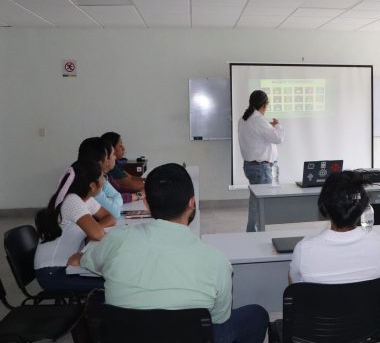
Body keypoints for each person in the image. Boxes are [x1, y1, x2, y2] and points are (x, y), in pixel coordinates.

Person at [70, 163, 269, 343]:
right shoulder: (217, 262)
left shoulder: (116, 241)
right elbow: (218, 319)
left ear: (146, 204)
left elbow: (83, 261)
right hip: (191, 335)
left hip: (127, 334)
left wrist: (80, 257)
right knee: (256, 315)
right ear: (192, 203)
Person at [289, 170, 380, 283]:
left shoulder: (304, 249)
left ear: (323, 207)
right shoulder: (379, 244)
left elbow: (294, 286)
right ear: (362, 206)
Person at [34, 159, 115, 292]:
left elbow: (110, 218)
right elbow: (98, 235)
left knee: (112, 277)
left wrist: (92, 229)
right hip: (52, 272)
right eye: (102, 177)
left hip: (69, 264)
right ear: (92, 185)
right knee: (113, 285)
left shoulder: (86, 199)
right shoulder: (72, 200)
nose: (104, 181)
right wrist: (92, 230)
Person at [238, 90, 284, 232]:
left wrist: (270, 128)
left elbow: (259, 137)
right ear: (264, 105)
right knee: (260, 204)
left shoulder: (244, 119)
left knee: (256, 202)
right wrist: (278, 125)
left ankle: (254, 232)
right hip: (261, 168)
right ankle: (255, 234)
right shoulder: (259, 120)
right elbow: (278, 138)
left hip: (251, 166)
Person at [77, 137, 123, 218]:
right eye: (113, 154)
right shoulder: (90, 183)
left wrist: (112, 203)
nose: (115, 157)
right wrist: (111, 203)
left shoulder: (102, 177)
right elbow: (115, 213)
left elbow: (118, 196)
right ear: (103, 161)